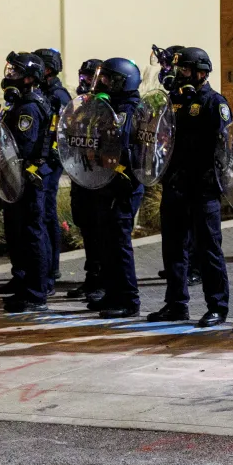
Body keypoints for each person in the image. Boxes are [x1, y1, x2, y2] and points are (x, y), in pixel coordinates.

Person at [146, 48, 232, 327]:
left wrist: (213, 182)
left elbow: (223, 149)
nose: (177, 74)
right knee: (173, 248)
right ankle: (176, 304)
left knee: (208, 249)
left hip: (203, 187)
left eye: (183, 70)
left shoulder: (213, 103)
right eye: (176, 69)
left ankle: (217, 306)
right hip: (175, 184)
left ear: (201, 73)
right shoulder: (172, 102)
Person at [72, 58, 146, 318]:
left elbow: (122, 145)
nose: (100, 82)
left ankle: (128, 299)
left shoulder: (130, 109)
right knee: (106, 243)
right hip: (105, 183)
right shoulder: (105, 106)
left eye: (107, 78)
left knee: (119, 243)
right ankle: (112, 294)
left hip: (123, 186)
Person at [0, 52, 52, 312]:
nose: (10, 76)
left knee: (32, 236)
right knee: (23, 235)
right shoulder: (21, 102)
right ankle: (24, 286)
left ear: (30, 78)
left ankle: (34, 292)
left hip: (28, 180)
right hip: (20, 180)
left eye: (16, 73)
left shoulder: (28, 107)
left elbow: (23, 146)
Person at [151, 45, 201, 287]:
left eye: (171, 67)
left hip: (194, 175)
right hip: (174, 172)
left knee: (193, 226)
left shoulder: (201, 99)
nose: (168, 72)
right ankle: (180, 268)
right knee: (177, 230)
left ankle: (194, 267)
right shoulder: (174, 96)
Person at [66, 59, 105, 302]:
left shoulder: (104, 107)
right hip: (80, 174)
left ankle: (102, 283)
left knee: (100, 232)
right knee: (87, 230)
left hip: (98, 177)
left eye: (89, 77)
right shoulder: (80, 105)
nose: (85, 81)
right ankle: (91, 280)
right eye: (83, 76)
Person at [31, 48, 70, 290]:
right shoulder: (40, 92)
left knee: (46, 213)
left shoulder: (58, 95)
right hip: (40, 160)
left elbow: (65, 128)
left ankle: (51, 268)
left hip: (51, 162)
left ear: (46, 69)